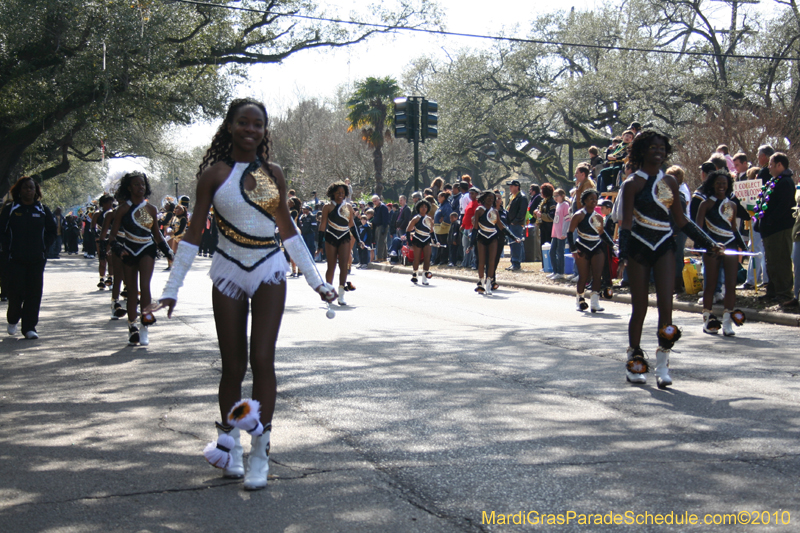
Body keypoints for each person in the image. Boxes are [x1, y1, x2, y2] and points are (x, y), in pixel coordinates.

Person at [155, 98, 335, 491]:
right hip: (228, 272)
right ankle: (231, 447)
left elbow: (287, 229)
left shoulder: (273, 173)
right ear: (231, 126)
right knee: (233, 366)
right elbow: (192, 234)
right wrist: (171, 289)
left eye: (258, 124)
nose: (251, 129)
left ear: (264, 130)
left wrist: (316, 281)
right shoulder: (213, 175)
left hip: (269, 269)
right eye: (243, 123)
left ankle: (260, 454)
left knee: (263, 359)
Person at [618, 131, 723, 388]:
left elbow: (681, 220)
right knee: (639, 307)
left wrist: (709, 243)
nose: (659, 151)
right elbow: (626, 223)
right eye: (653, 147)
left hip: (664, 245)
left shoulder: (670, 183)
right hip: (639, 247)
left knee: (667, 305)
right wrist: (623, 255)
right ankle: (635, 357)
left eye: (662, 148)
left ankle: (663, 361)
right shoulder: (631, 184)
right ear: (642, 150)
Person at [108, 170, 174, 346]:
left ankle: (145, 326)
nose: (140, 187)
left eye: (143, 184)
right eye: (136, 184)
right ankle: (132, 327)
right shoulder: (122, 209)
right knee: (131, 290)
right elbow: (112, 236)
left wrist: (169, 253)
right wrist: (119, 249)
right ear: (129, 188)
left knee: (145, 286)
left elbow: (158, 235)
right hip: (128, 250)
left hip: (147, 249)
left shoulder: (151, 209)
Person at [0, 176, 56, 339]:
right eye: (25, 188)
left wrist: (44, 247)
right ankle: (13, 319)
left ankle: (29, 327)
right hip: (15, 259)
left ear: (36, 191)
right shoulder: (11, 209)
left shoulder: (42, 210)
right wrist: (6, 248)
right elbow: (1, 231)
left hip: (37, 259)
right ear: (19, 190)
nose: (29, 191)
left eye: (31, 188)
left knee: (34, 293)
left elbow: (52, 231)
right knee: (16, 292)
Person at [696, 170, 747, 336]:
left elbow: (733, 229)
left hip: (730, 246)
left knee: (731, 284)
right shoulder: (705, 204)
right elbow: (698, 228)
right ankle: (708, 319)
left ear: (728, 185)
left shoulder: (732, 205)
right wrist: (705, 245)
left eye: (724, 183)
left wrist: (742, 247)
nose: (721, 186)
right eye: (718, 183)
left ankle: (727, 322)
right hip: (712, 247)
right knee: (711, 284)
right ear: (712, 184)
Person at [754, 152, 796, 303]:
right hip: (770, 230)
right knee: (770, 261)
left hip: (780, 229)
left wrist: (770, 220)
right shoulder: (775, 181)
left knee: (781, 261)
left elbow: (783, 206)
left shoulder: (785, 182)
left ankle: (784, 293)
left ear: (780, 165)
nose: (769, 167)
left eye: (771, 164)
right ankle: (772, 291)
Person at [568, 189, 613, 313]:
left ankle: (595, 302)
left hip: (597, 246)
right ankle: (580, 299)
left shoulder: (598, 216)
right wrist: (573, 250)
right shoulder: (578, 215)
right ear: (584, 201)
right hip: (582, 246)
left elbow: (602, 234)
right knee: (584, 276)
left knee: (597, 276)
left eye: (595, 199)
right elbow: (570, 233)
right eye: (591, 199)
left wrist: (613, 245)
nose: (594, 201)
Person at [468, 190, 519, 295]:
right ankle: (481, 282)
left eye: (493, 198)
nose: (491, 200)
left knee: (492, 262)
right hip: (481, 237)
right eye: (489, 198)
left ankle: (489, 284)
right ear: (484, 198)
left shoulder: (495, 212)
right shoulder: (479, 210)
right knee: (481, 262)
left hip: (493, 237)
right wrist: (471, 244)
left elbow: (501, 226)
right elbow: (475, 228)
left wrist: (513, 237)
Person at [320, 182, 359, 305]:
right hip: (331, 236)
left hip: (344, 237)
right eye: (338, 193)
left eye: (342, 193)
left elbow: (352, 225)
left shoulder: (348, 206)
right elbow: (322, 225)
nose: (340, 195)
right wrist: (320, 244)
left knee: (344, 265)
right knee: (331, 266)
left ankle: (341, 294)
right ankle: (329, 292)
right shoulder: (327, 207)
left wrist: (359, 240)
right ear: (332, 193)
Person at [406, 199, 434, 285]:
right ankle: (415, 275)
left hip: (427, 240)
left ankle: (424, 278)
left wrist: (436, 241)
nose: (424, 208)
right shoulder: (416, 218)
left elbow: (432, 232)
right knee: (417, 259)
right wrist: (409, 243)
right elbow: (408, 230)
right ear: (418, 208)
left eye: (425, 207)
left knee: (427, 258)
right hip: (417, 240)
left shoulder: (429, 219)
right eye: (422, 207)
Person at [547, 188, 570, 281]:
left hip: (561, 233)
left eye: (557, 196)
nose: (555, 198)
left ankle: (560, 272)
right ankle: (555, 270)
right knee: (552, 251)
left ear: (562, 196)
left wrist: (564, 232)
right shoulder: (558, 205)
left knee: (560, 252)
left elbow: (567, 219)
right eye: (554, 196)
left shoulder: (565, 205)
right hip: (555, 233)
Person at [505, 179, 527, 271]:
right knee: (511, 243)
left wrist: (516, 221)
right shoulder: (512, 196)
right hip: (511, 223)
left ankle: (516, 262)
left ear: (517, 186)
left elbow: (522, 212)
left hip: (516, 224)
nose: (510, 188)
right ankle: (513, 261)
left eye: (511, 186)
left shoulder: (522, 197)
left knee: (516, 243)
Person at [372, 195, 389, 261]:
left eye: (375, 201)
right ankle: (384, 256)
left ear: (379, 200)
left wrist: (384, 228)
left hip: (382, 225)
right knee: (382, 242)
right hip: (377, 226)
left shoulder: (383, 207)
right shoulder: (376, 208)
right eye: (373, 201)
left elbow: (385, 218)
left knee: (380, 242)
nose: (374, 202)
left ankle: (379, 257)